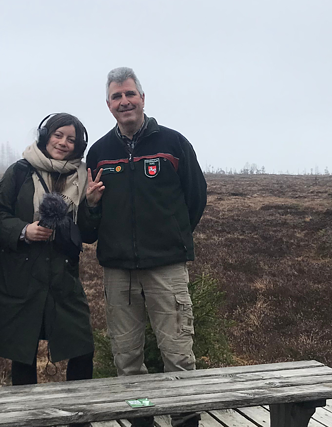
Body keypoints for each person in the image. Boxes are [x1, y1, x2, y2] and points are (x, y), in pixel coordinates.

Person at [82, 67, 207, 427]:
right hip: (118, 272)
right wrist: (90, 205)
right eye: (117, 97)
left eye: (129, 94)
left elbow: (195, 199)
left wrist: (172, 240)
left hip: (166, 268)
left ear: (142, 98)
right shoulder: (99, 153)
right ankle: (142, 422)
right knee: (127, 358)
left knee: (179, 354)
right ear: (108, 105)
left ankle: (186, 422)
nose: (124, 102)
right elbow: (88, 226)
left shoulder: (173, 144)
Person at [0, 113, 104, 394]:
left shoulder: (82, 176)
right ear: (45, 136)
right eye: (58, 135)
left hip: (63, 278)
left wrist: (91, 204)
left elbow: (87, 234)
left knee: (82, 348)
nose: (63, 143)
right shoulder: (20, 171)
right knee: (22, 352)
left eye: (71, 139)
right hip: (21, 276)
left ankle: (79, 419)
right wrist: (25, 230)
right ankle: (29, 418)